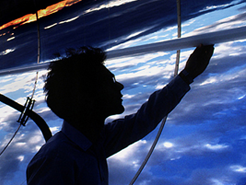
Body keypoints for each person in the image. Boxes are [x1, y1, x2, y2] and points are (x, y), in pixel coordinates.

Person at [26, 45, 214, 185]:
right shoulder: (55, 161)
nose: (119, 86)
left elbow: (143, 120)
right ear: (88, 98)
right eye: (110, 81)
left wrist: (187, 75)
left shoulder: (93, 141)